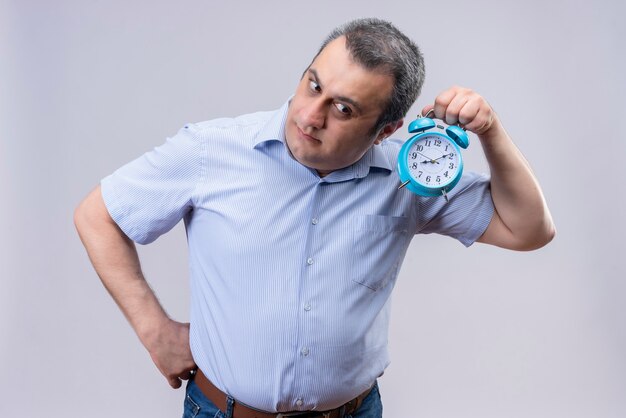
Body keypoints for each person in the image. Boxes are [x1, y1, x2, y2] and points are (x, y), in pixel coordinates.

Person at [74, 18, 555, 418]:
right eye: (313, 84)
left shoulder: (409, 176)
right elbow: (97, 214)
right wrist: (154, 330)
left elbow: (529, 229)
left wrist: (490, 131)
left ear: (385, 130)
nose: (310, 115)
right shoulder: (210, 150)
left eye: (343, 108)